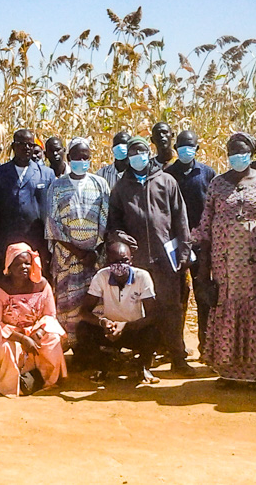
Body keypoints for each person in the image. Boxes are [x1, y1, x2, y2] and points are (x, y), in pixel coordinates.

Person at [195, 132, 256, 387]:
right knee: (225, 306)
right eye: (231, 152)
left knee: (253, 308)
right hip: (225, 263)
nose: (236, 156)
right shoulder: (218, 184)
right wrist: (203, 269)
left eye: (241, 151)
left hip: (255, 262)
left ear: (251, 154)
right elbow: (206, 226)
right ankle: (227, 370)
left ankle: (251, 370)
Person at [107, 136, 194, 376]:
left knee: (171, 309)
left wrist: (184, 252)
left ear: (149, 153)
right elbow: (113, 225)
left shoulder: (166, 181)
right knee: (143, 311)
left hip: (166, 259)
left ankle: (178, 357)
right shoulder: (121, 188)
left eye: (141, 151)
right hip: (138, 261)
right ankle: (144, 360)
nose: (138, 156)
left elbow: (180, 220)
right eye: (133, 153)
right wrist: (121, 237)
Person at [44, 137, 110, 347]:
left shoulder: (99, 183)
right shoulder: (57, 186)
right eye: (77, 157)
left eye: (86, 157)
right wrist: (78, 252)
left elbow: (105, 217)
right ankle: (70, 347)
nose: (82, 160)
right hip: (67, 257)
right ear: (69, 157)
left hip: (94, 259)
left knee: (95, 303)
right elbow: (53, 224)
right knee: (68, 304)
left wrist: (95, 251)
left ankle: (93, 348)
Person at [0, 243, 67, 397]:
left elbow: (50, 316)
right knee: (7, 348)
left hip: (36, 330)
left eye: (27, 263)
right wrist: (22, 339)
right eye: (18, 264)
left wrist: (38, 332)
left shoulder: (42, 285)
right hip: (8, 333)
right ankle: (6, 383)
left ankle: (49, 380)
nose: (24, 267)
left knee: (53, 339)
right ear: (9, 266)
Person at [76, 241, 160, 384]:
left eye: (124, 260)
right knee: (83, 329)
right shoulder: (101, 276)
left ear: (131, 260)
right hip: (109, 331)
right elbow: (84, 311)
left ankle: (142, 366)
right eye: (115, 261)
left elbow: (153, 315)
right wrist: (103, 322)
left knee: (154, 331)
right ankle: (101, 367)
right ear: (108, 262)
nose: (120, 265)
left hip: (134, 330)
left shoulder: (142, 277)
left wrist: (126, 326)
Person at [164, 130, 216, 351]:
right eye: (182, 146)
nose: (187, 150)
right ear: (176, 150)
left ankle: (206, 344)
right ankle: (176, 346)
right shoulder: (168, 174)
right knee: (177, 297)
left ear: (198, 148)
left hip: (202, 243)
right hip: (176, 244)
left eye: (191, 145)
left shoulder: (208, 174)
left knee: (203, 294)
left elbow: (213, 208)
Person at [0, 128, 56, 273]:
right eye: (22, 144)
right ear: (13, 147)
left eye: (30, 145)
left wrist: (49, 249)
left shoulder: (46, 174)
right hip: (7, 243)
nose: (26, 148)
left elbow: (51, 214)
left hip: (37, 243)